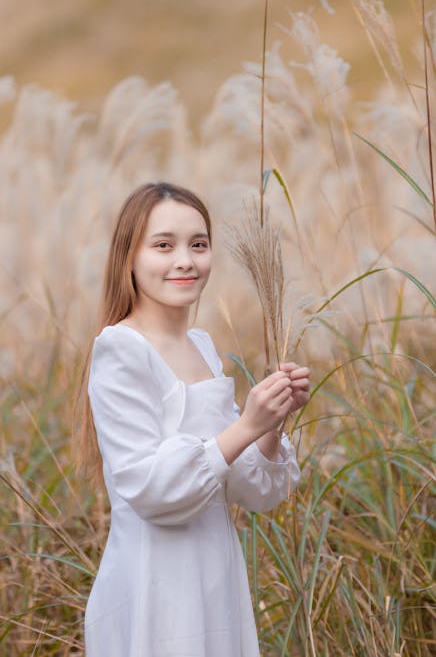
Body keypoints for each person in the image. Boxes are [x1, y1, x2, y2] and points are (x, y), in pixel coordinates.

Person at [77, 181, 310, 657]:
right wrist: (246, 425)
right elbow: (152, 489)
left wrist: (271, 424)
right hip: (155, 586)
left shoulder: (201, 345)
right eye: (164, 245)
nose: (185, 260)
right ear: (130, 257)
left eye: (198, 245)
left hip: (215, 581)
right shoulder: (120, 349)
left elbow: (246, 490)